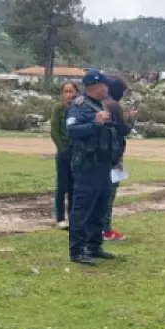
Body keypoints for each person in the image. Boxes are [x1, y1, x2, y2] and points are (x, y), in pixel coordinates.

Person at [66, 69, 122, 265]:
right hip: (87, 165)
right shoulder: (79, 107)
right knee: (82, 209)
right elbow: (72, 131)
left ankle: (94, 246)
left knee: (100, 207)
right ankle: (77, 250)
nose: (108, 88)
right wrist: (95, 124)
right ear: (96, 86)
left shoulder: (101, 104)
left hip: (104, 165)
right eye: (105, 85)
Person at [102, 76, 133, 242]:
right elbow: (124, 129)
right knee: (109, 194)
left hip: (100, 156)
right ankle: (105, 230)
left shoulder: (100, 103)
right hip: (113, 157)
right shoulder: (114, 105)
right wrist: (131, 119)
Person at [50, 81, 79, 229]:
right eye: (66, 91)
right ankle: (60, 218)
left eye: (71, 91)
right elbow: (54, 131)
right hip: (63, 153)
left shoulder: (79, 109)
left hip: (77, 152)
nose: (69, 94)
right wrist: (63, 149)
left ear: (76, 93)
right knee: (62, 187)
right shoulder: (58, 109)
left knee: (74, 187)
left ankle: (73, 217)